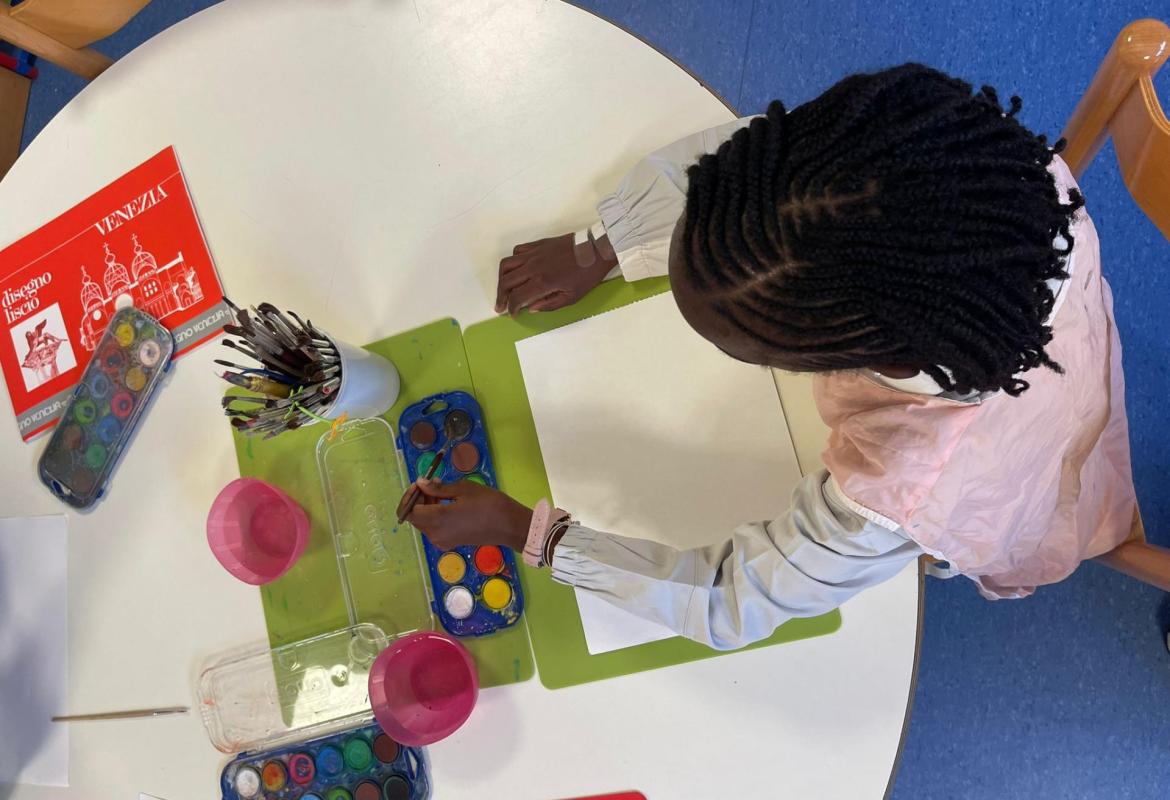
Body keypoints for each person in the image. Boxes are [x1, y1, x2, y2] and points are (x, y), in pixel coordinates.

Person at [399, 63, 1136, 650]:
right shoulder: (975, 178)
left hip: (1027, 495)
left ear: (847, 359)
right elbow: (769, 166)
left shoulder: (900, 492)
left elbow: (730, 600)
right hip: (1074, 351)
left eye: (747, 349)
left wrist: (534, 534)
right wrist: (605, 246)